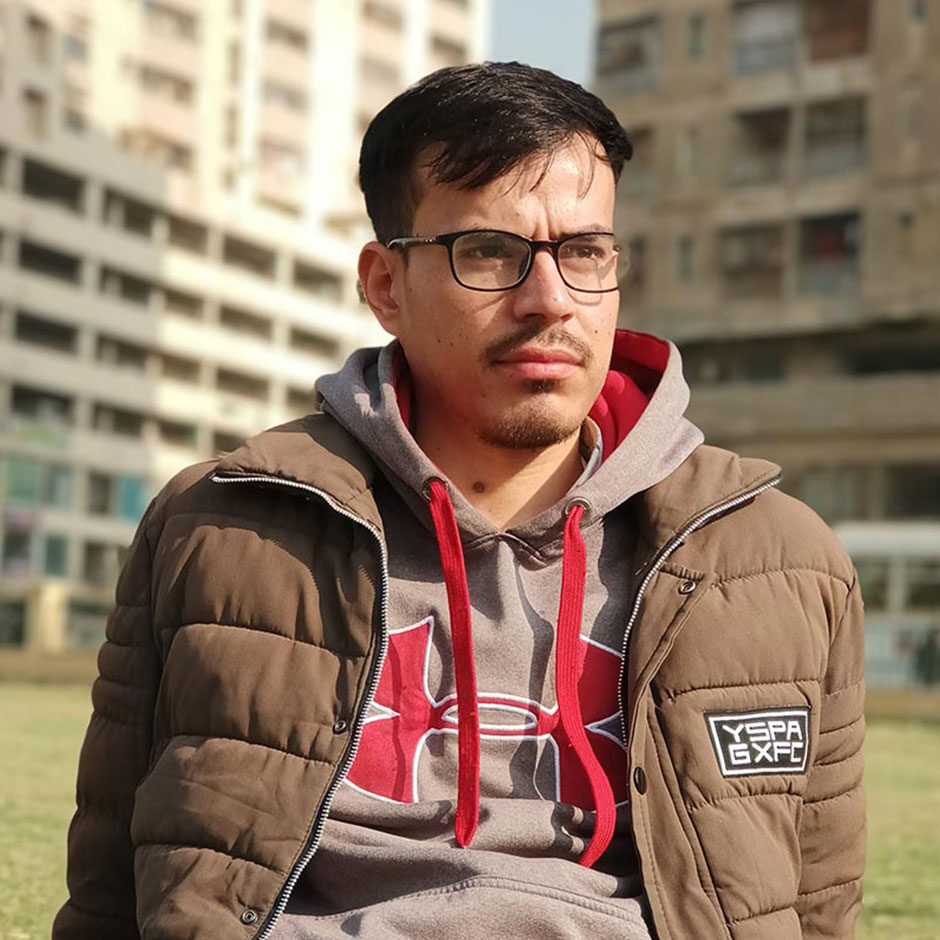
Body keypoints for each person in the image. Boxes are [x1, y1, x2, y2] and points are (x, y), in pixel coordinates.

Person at [53, 62, 865, 940]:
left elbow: (814, 906)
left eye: (585, 253)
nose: (550, 301)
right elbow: (109, 891)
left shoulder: (776, 559)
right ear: (384, 286)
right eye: (488, 252)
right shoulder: (221, 527)